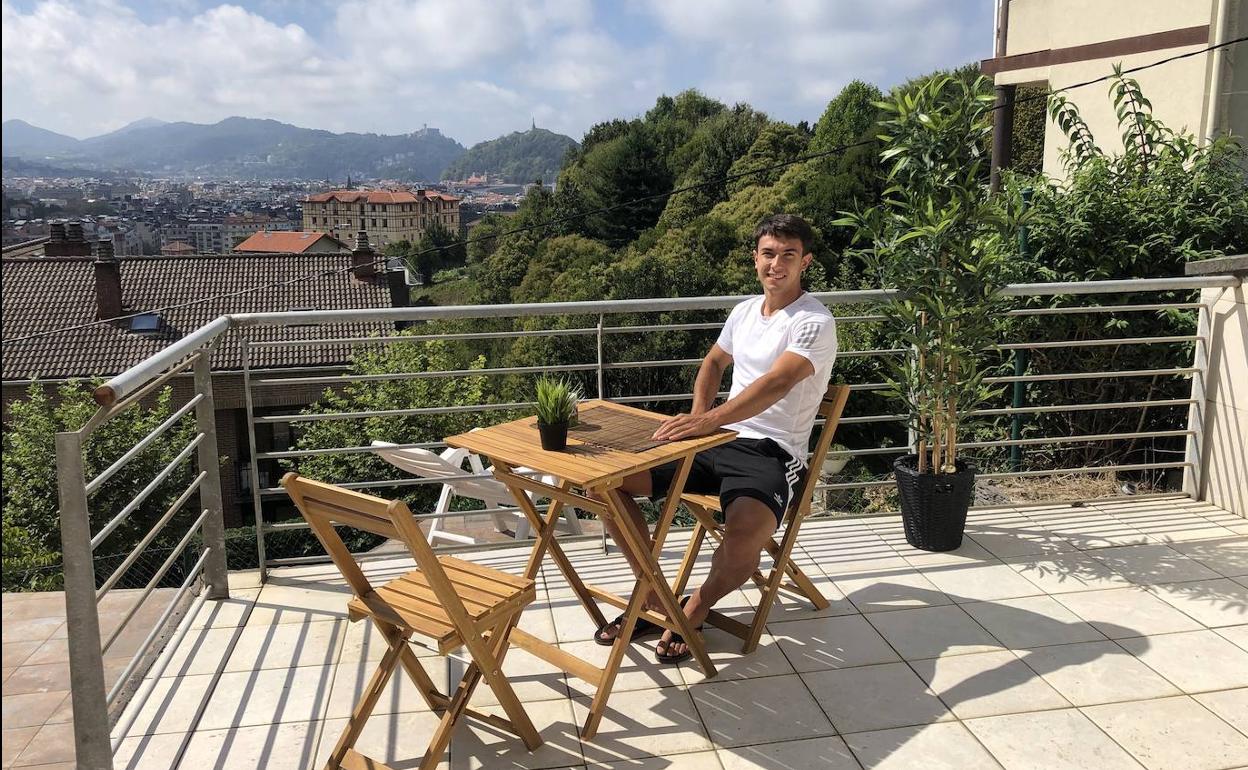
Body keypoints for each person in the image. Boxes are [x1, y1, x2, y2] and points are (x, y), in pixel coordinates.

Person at [594, 213, 839, 663]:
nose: (776, 265)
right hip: (718, 438)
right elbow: (713, 363)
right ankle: (653, 597)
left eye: (788, 255)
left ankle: (694, 608)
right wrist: (698, 418)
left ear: (805, 262)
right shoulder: (744, 311)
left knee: (745, 534)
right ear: (755, 259)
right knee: (606, 484)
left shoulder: (814, 321)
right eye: (768, 254)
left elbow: (777, 383)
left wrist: (706, 423)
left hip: (772, 451)